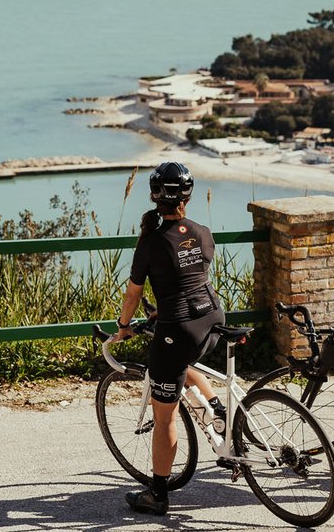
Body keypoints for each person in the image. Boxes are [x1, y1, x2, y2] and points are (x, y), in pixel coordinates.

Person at [113, 161, 226, 516]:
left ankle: (157, 494)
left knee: (165, 418)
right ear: (188, 195)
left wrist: (123, 325)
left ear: (153, 195)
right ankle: (217, 410)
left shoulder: (151, 243)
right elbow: (190, 277)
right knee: (184, 363)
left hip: (178, 328)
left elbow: (133, 295)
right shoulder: (204, 231)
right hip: (212, 318)